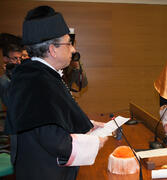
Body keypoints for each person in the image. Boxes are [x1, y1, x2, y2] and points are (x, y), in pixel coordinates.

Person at [4, 5, 108, 180]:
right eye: (69, 43)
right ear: (52, 49)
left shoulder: (38, 74)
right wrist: (95, 142)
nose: (73, 50)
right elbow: (54, 140)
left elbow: (52, 117)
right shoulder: (36, 81)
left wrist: (87, 125)